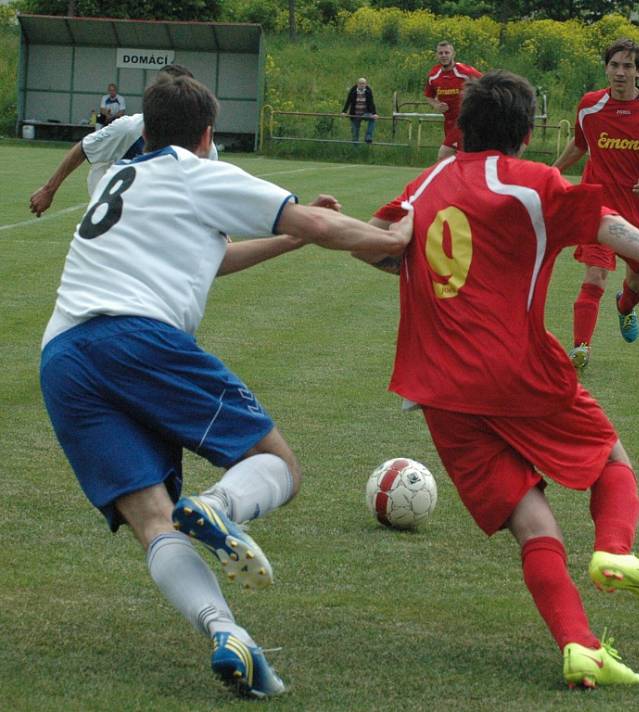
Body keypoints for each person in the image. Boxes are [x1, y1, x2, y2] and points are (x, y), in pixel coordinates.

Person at [39, 74, 411, 699]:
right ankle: (220, 507)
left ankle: (225, 631)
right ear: (208, 134)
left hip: (64, 356)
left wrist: (291, 237)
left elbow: (218, 255)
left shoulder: (121, 178)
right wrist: (395, 241)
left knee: (154, 522)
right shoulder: (197, 171)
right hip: (136, 339)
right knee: (277, 465)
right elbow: (320, 227)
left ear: (145, 129)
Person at [358, 69, 639, 689]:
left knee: (532, 522)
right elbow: (603, 221)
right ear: (525, 134)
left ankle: (579, 648)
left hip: (438, 388)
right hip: (517, 370)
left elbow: (383, 246)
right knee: (610, 459)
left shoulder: (427, 182)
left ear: (462, 125)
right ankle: (614, 548)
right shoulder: (529, 181)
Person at [552, 38, 639, 370]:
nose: (620, 73)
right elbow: (580, 145)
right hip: (598, 207)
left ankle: (625, 306)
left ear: (638, 72)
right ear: (606, 68)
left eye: (628, 66)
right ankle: (581, 348)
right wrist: (553, 170)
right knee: (594, 276)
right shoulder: (590, 105)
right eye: (614, 65)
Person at [29, 65, 216, 217]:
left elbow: (203, 191)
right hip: (111, 208)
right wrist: (49, 189)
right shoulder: (129, 128)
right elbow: (84, 148)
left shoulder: (204, 146)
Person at [423, 40, 482, 161]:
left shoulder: (465, 72)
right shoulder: (433, 75)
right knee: (461, 159)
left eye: (446, 52)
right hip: (449, 122)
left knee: (443, 155)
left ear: (453, 54)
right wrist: (436, 105)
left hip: (465, 121)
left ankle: (440, 179)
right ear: (436, 55)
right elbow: (429, 96)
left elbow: (486, 84)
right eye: (441, 53)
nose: (444, 55)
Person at [341, 77, 378, 144]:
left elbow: (372, 102)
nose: (362, 85)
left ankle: (368, 136)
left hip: (365, 113)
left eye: (363, 83)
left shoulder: (368, 91)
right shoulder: (353, 91)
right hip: (355, 114)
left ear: (366, 84)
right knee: (355, 132)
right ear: (357, 84)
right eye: (360, 83)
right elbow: (348, 101)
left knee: (372, 119)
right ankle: (355, 149)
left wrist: (374, 113)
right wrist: (344, 112)